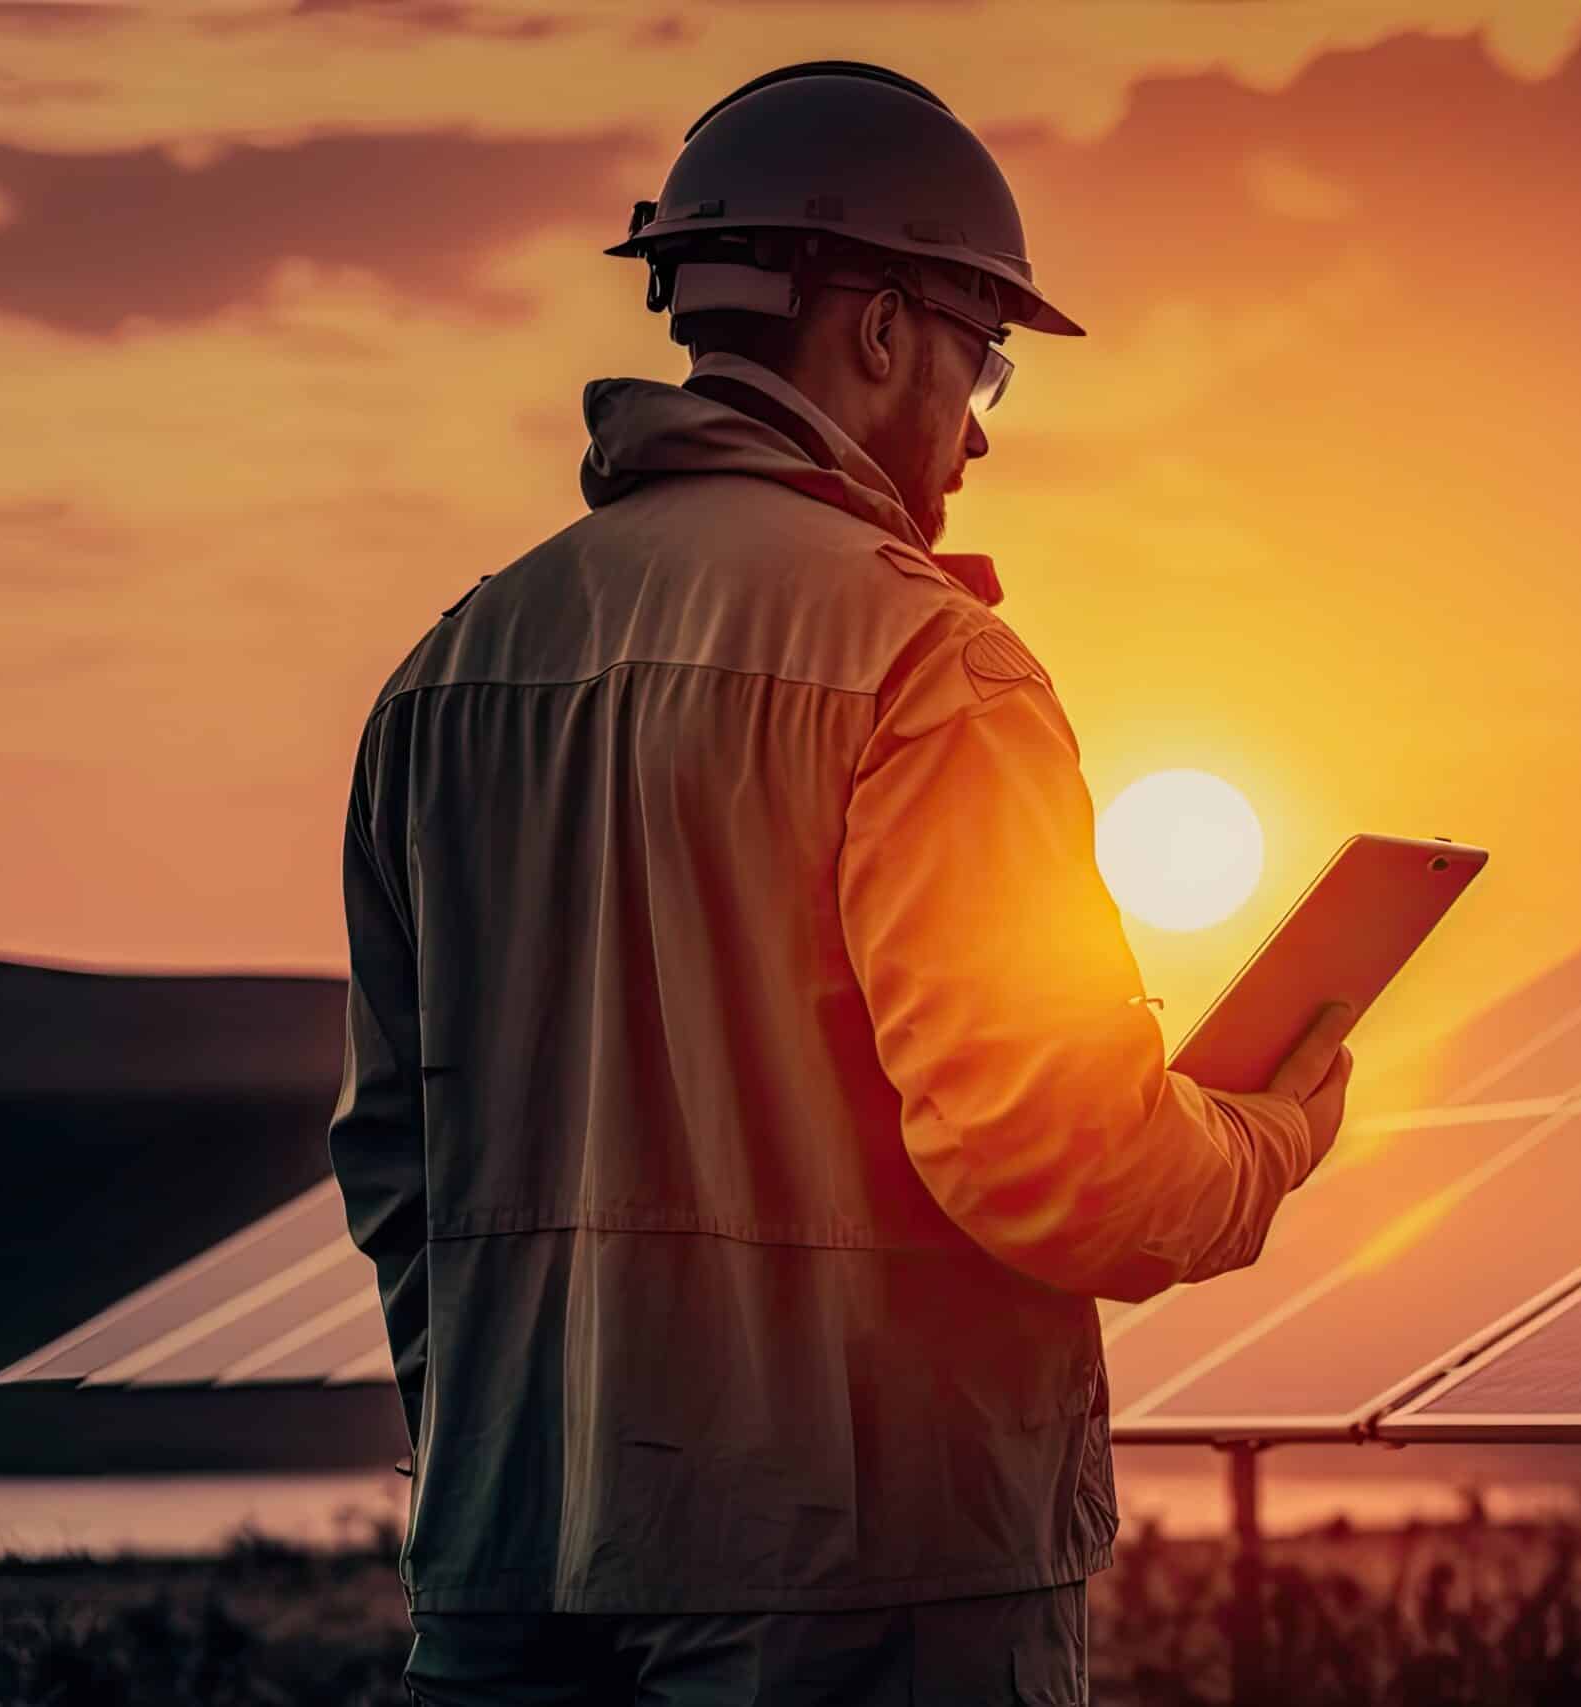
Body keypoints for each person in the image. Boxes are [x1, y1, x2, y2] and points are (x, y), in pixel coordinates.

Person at [326, 60, 1358, 1706]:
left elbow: (398, 1167)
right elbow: (1056, 1156)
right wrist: (1263, 1140)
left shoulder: (450, 671)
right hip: (871, 1597)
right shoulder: (923, 663)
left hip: (507, 1584)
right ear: (878, 330)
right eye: (984, 361)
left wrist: (519, 1462)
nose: (979, 432)